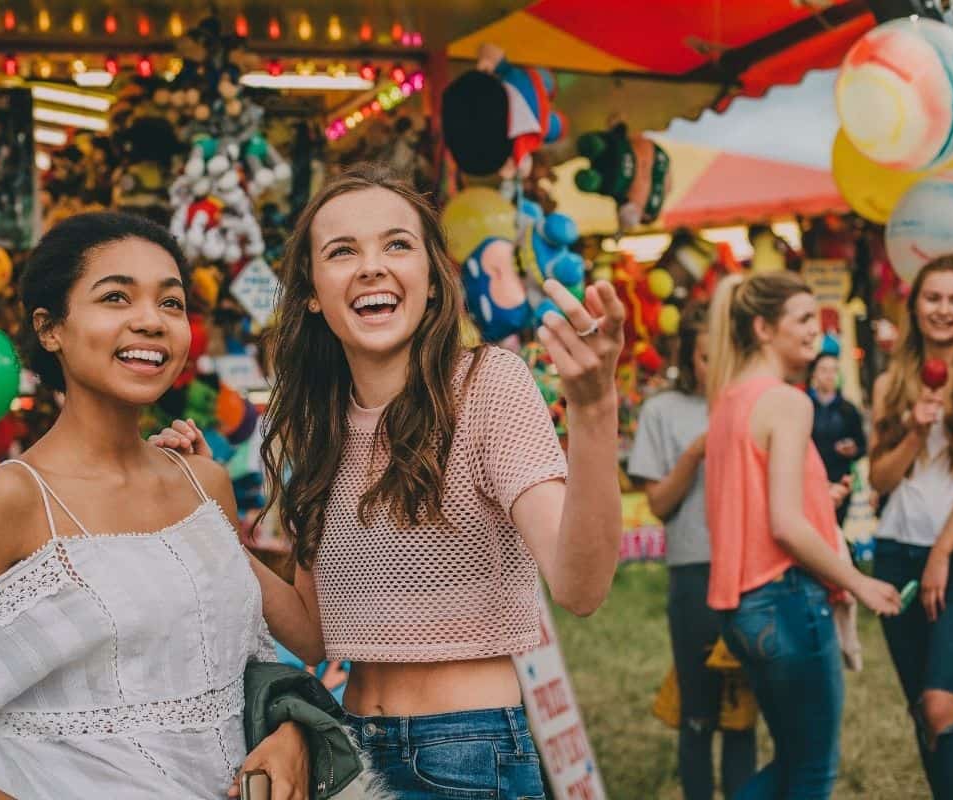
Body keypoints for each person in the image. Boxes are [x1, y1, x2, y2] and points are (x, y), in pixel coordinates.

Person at [153, 163, 625, 798]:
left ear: (432, 281)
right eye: (342, 251)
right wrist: (209, 521)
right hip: (351, 754)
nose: (371, 266)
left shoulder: (487, 384)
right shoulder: (315, 425)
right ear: (313, 293)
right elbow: (317, 632)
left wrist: (595, 412)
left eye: (396, 244)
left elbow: (580, 586)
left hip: (468, 753)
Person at [0, 213, 309, 799]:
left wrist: (289, 731)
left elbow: (241, 664)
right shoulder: (12, 500)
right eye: (116, 297)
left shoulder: (204, 484)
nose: (150, 321)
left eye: (170, 304)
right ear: (51, 330)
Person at [704, 271, 900, 800]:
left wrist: (822, 500)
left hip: (741, 608)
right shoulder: (788, 402)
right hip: (785, 599)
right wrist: (860, 583)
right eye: (805, 319)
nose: (818, 329)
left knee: (792, 762)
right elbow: (785, 525)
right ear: (765, 328)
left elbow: (755, 504)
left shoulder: (729, 400)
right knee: (813, 772)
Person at [868, 255, 953, 800]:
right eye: (933, 297)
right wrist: (915, 433)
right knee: (924, 707)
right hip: (897, 551)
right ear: (915, 304)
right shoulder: (890, 381)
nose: (943, 310)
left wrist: (943, 551)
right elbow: (879, 476)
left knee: (944, 703)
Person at [627, 304, 756, 800]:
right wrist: (696, 452)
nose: (715, 368)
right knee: (698, 713)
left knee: (743, 713)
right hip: (695, 573)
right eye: (705, 357)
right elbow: (658, 502)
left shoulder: (754, 401)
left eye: (724, 356)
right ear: (687, 356)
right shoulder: (663, 410)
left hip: (750, 572)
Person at [806, 351, 866, 526]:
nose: (829, 375)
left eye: (834, 370)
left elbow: (862, 447)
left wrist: (852, 449)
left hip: (840, 484)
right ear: (814, 374)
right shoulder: (804, 406)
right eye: (824, 370)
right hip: (809, 483)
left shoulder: (848, 410)